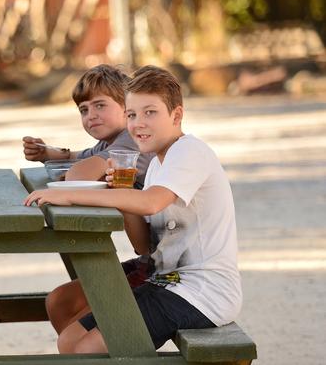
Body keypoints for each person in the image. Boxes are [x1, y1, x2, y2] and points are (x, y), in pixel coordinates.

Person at [24, 65, 242, 353]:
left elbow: (151, 201)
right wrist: (122, 193)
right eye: (131, 114)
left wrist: (73, 195)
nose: (138, 123)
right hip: (163, 278)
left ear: (176, 115)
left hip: (201, 291)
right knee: (68, 337)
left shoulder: (190, 152)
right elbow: (142, 244)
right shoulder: (155, 164)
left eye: (150, 112)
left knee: (84, 349)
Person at [22, 64, 153, 187]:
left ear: (128, 108)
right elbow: (76, 157)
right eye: (84, 110)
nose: (91, 115)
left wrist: (71, 176)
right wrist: (46, 153)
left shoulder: (134, 138)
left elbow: (77, 178)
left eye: (100, 105)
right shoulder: (109, 142)